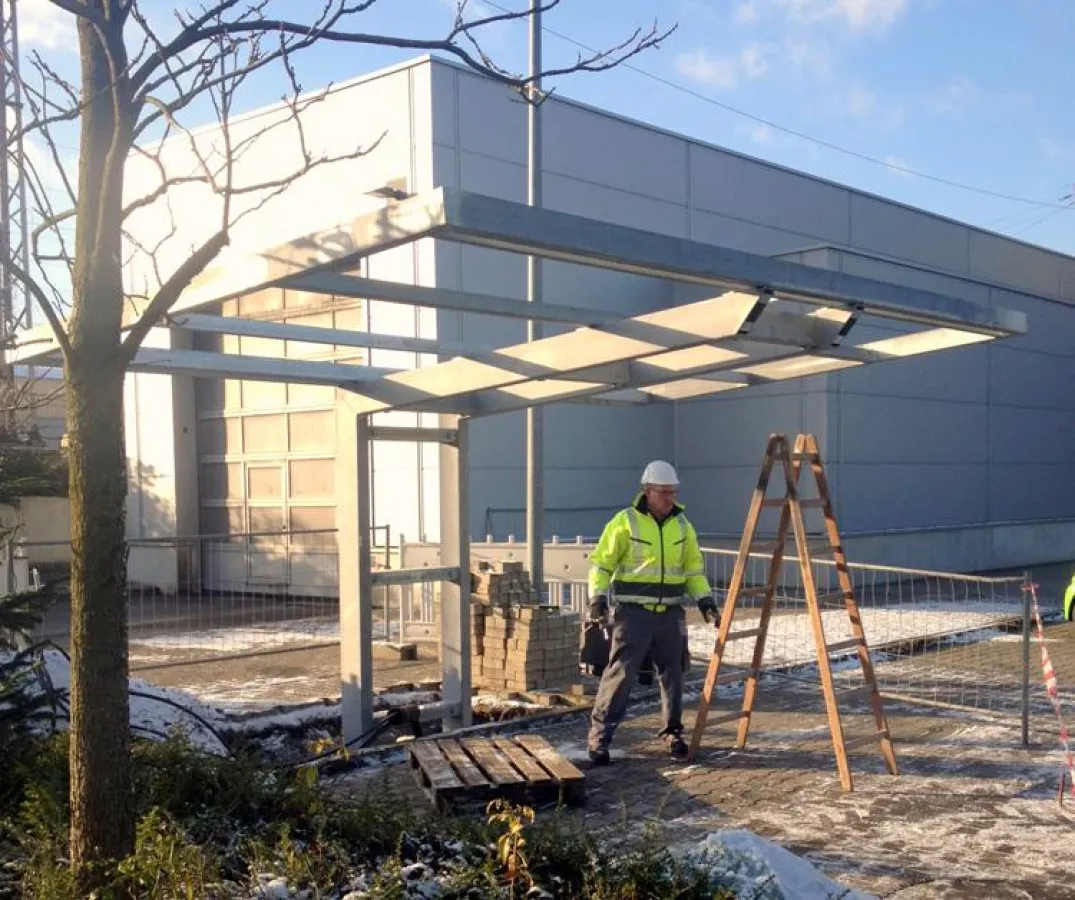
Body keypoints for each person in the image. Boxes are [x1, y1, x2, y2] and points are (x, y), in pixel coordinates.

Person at [586, 460, 717, 765]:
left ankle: (672, 733)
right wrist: (598, 599)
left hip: (670, 615)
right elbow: (602, 565)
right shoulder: (624, 522)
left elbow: (693, 570)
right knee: (620, 675)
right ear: (647, 491)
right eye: (664, 492)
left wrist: (706, 602)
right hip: (633, 615)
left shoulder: (683, 526)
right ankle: (599, 739)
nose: (671, 498)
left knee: (673, 674)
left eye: (673, 491)